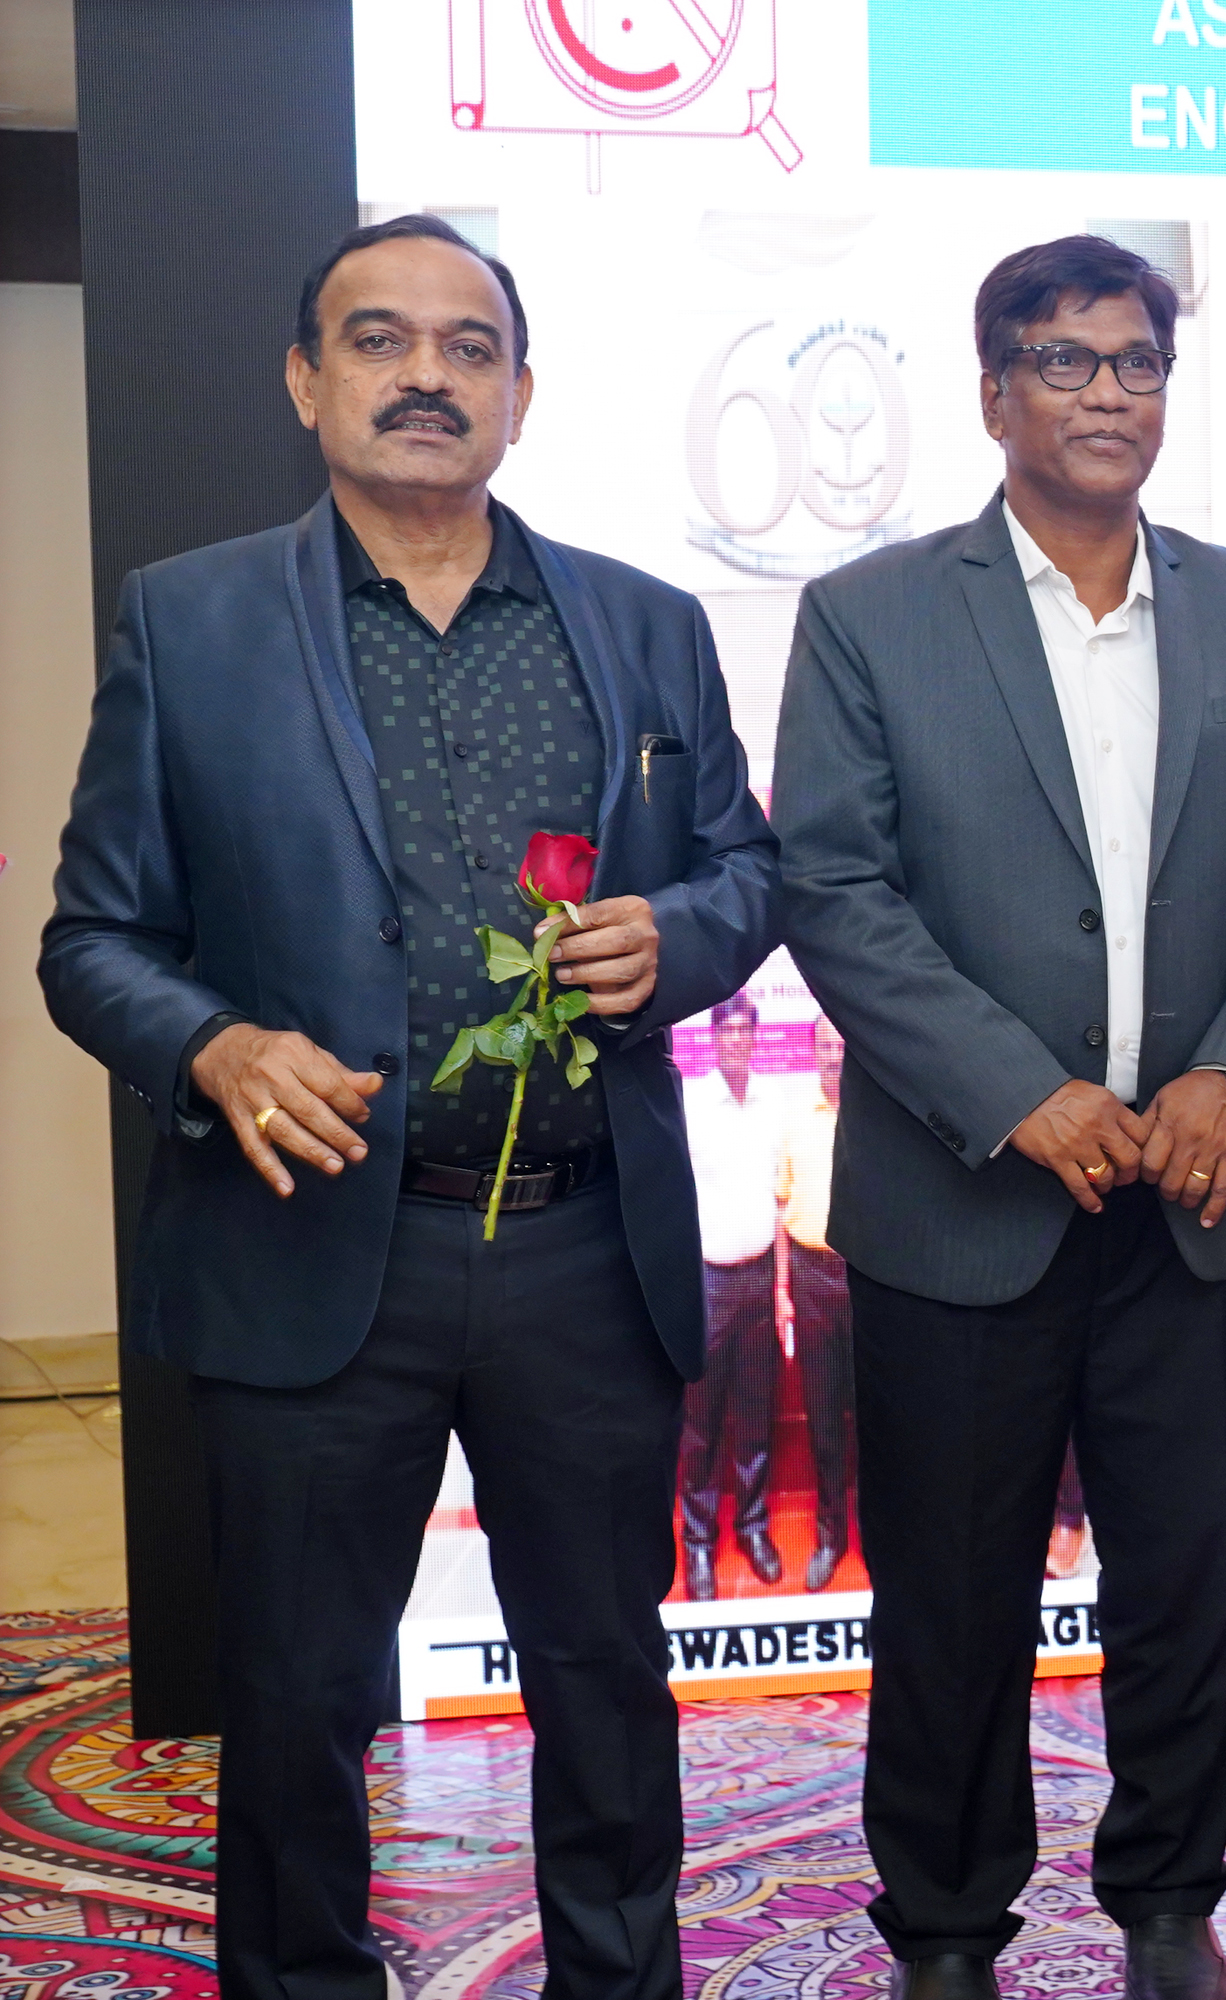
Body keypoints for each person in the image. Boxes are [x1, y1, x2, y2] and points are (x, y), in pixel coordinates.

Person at [38, 213, 777, 2000]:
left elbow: (749, 871)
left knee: (605, 1674)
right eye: (379, 339)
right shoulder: (190, 620)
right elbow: (91, 941)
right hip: (311, 1250)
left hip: (584, 1250)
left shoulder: (646, 623)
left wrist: (676, 937)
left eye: (468, 346)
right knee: (298, 1693)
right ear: (306, 382)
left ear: (521, 393)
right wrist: (216, 1049)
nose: (426, 375)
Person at [772, 233, 1226, 2000]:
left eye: (1136, 361)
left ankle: (1170, 1903)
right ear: (992, 394)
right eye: (1064, 360)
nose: (1108, 391)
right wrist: (1018, 1094)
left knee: (1187, 1581)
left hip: (1195, 1200)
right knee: (954, 1597)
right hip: (964, 1206)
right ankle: (949, 1927)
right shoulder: (870, 615)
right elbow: (835, 890)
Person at [681, 993, 787, 1599]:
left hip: (761, 1277)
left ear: (755, 1039)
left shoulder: (773, 1104)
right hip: (710, 1281)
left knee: (754, 1414)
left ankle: (753, 1528)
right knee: (701, 1423)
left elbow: (779, 1194)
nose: (738, 1043)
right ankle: (698, 1542)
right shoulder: (694, 1104)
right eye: (729, 1033)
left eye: (747, 1033)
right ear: (715, 1039)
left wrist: (780, 1287)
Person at [782, 1012, 855, 1592]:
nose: (832, 1056)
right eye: (823, 1046)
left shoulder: (877, 1118)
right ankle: (831, 1535)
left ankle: (887, 1533)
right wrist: (783, 1291)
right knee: (825, 1416)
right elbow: (780, 1208)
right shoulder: (794, 1120)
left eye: (839, 1045)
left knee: (885, 1414)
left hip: (869, 1279)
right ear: (812, 1053)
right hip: (810, 1279)